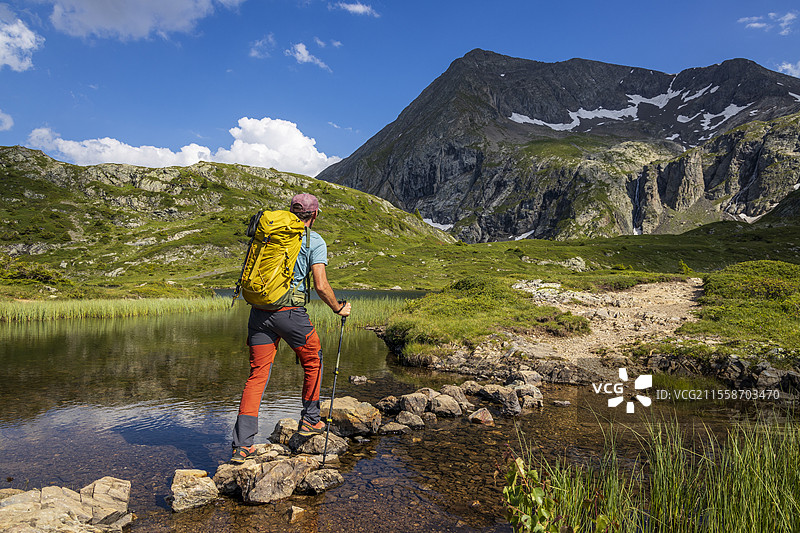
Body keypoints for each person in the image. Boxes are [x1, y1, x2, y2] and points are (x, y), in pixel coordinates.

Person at [230, 193, 351, 464]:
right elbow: (320, 285)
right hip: (291, 314)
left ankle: (242, 446)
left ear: (290, 212)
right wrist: (338, 308)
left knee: (257, 375)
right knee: (313, 360)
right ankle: (310, 420)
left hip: (259, 313)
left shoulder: (270, 235)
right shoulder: (313, 240)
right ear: (315, 215)